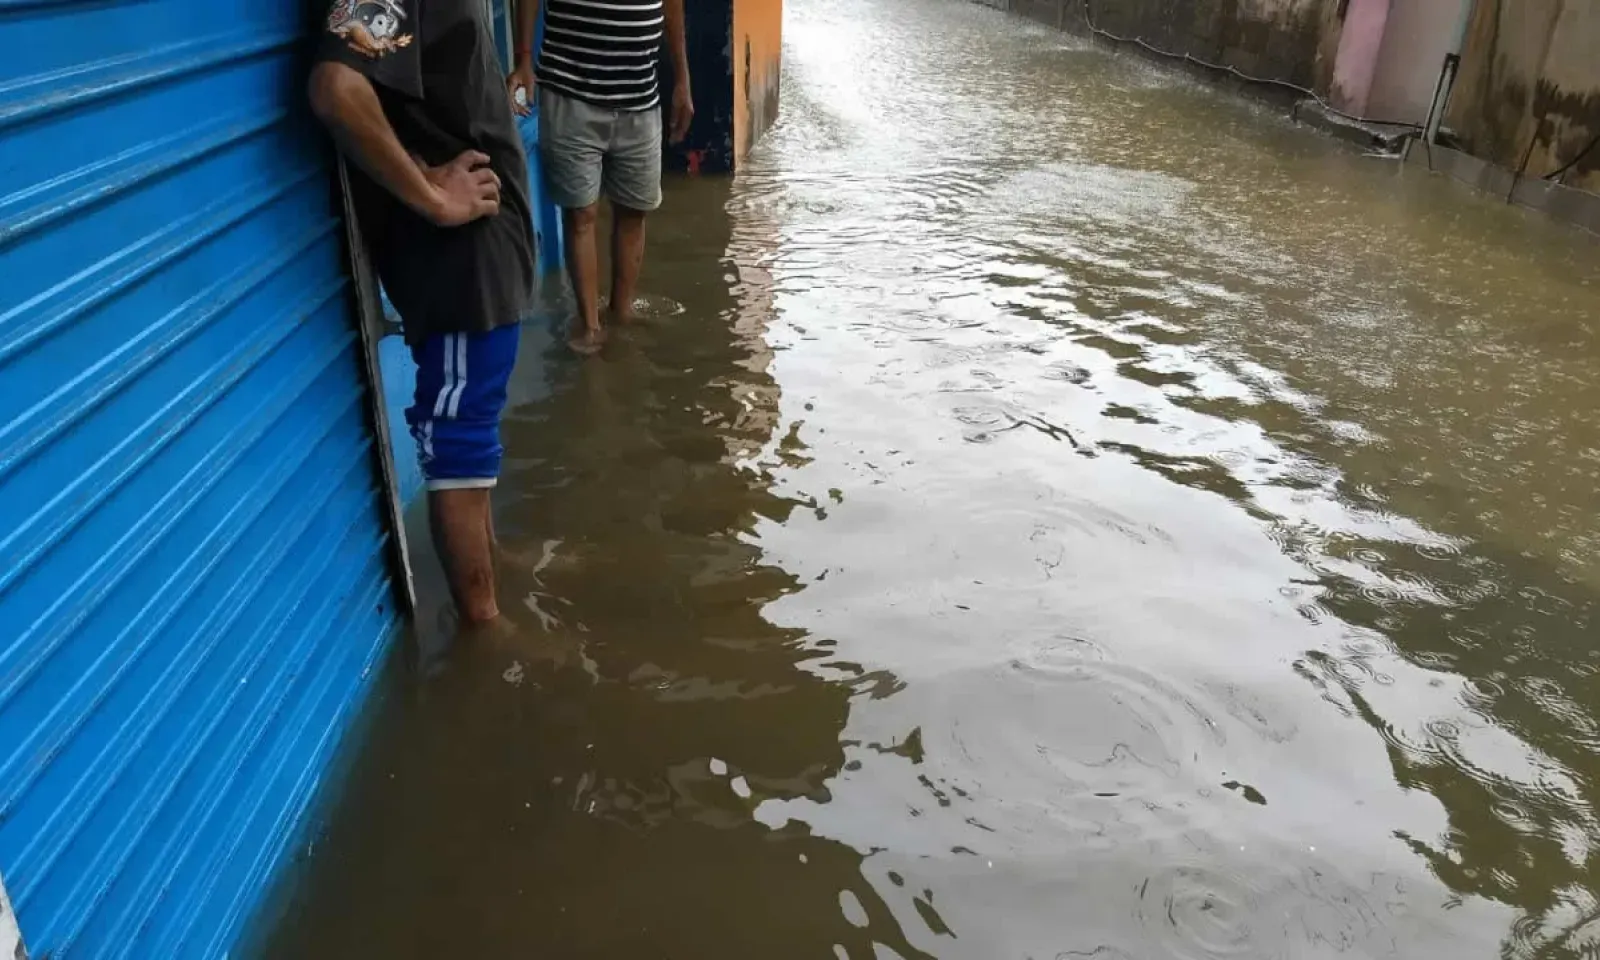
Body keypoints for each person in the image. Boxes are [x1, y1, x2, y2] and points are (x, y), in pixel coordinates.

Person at [309, 0, 535, 628]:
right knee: (460, 446)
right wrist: (433, 195)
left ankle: (494, 563)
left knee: (474, 431)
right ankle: (487, 633)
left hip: (483, 257)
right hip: (461, 267)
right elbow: (337, 87)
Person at [506, 0, 693, 355]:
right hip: (569, 91)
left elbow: (673, 5)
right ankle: (590, 325)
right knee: (580, 214)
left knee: (634, 211)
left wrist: (683, 79)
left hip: (640, 96)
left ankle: (622, 315)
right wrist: (523, 59)